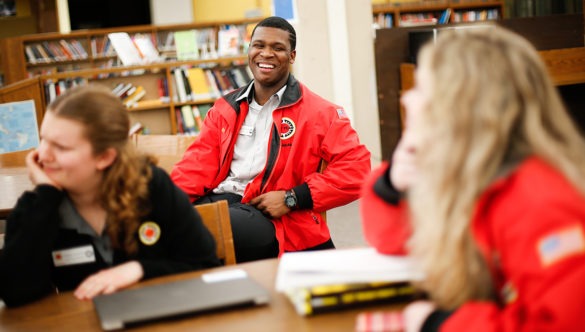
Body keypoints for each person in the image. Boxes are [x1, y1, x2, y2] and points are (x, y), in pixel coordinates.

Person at [361, 27, 585, 331]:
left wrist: (440, 323)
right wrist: (393, 187)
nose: (407, 99)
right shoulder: (471, 172)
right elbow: (397, 243)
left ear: (460, 106)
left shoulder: (541, 200)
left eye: (422, 89)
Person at [171, 16, 371, 262]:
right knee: (159, 222)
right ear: (249, 50)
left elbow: (357, 171)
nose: (266, 54)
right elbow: (196, 165)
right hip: (221, 199)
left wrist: (293, 198)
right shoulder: (225, 107)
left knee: (199, 230)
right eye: (259, 45)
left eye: (277, 48)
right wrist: (166, 202)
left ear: (292, 56)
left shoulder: (322, 113)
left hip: (267, 215)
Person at [0, 85, 220, 307]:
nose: (42, 155)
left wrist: (139, 269)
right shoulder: (38, 206)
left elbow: (204, 265)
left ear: (104, 157)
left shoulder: (151, 186)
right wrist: (46, 195)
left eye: (61, 147)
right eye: (43, 140)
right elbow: (15, 292)